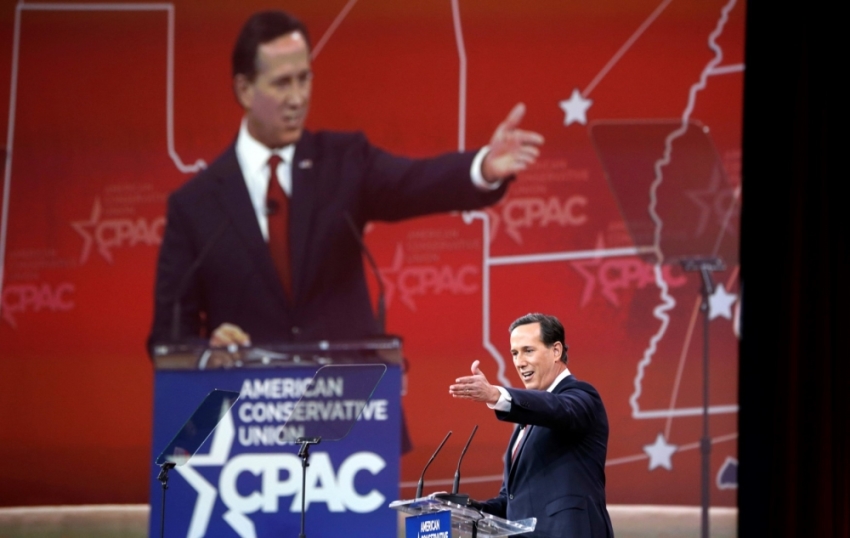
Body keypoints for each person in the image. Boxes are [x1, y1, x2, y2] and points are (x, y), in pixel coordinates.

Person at [147, 10, 544, 350]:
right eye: (282, 83)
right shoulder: (195, 205)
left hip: (350, 412)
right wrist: (209, 354)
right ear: (245, 89)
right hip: (248, 421)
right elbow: (168, 338)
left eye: (304, 79)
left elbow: (415, 182)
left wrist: (484, 167)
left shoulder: (343, 161)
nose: (298, 98)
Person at [449, 313, 613, 538]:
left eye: (528, 350)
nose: (519, 362)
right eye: (515, 353)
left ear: (556, 351)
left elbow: (557, 409)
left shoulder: (581, 396)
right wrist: (463, 509)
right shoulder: (526, 423)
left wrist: (497, 394)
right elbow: (511, 502)